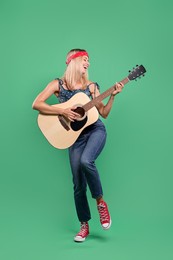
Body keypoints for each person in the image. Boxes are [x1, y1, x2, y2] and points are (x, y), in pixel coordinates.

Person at [32, 48, 124, 242]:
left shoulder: (91, 87)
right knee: (78, 184)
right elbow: (37, 104)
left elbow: (104, 113)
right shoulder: (58, 84)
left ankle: (100, 203)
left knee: (86, 161)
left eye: (89, 60)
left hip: (95, 131)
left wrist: (113, 95)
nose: (88, 63)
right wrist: (63, 111)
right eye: (85, 59)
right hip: (74, 137)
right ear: (73, 60)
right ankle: (84, 225)